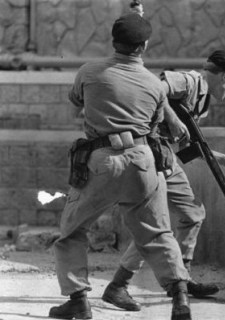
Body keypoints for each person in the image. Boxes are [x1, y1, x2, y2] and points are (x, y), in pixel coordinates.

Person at [49, 12, 193, 320]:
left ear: (114, 41)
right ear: (143, 46)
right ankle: (180, 299)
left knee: (72, 232)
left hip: (101, 161)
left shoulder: (89, 71)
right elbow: (156, 124)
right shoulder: (155, 84)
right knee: (157, 233)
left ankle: (78, 300)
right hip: (143, 161)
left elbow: (76, 100)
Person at [101, 49, 225, 311]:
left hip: (165, 158)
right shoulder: (188, 82)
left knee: (193, 213)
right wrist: (172, 119)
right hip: (143, 154)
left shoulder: (203, 100)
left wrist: (222, 159)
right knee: (155, 225)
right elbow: (152, 89)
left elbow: (186, 145)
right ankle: (118, 286)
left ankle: (183, 277)